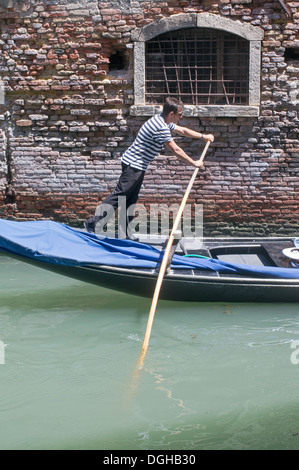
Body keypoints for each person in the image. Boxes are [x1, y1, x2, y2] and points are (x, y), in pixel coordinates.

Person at [84, 97, 214, 238]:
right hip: (133, 165)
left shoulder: (162, 120)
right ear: (171, 114)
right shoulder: (160, 126)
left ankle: (125, 234)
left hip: (136, 165)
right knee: (119, 195)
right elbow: (175, 150)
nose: (181, 117)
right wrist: (193, 163)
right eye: (180, 114)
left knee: (130, 200)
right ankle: (92, 223)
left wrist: (203, 136)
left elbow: (182, 130)